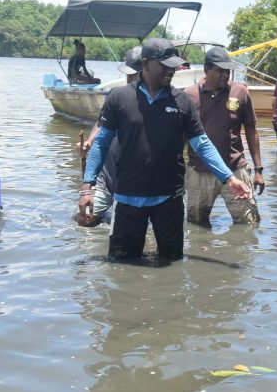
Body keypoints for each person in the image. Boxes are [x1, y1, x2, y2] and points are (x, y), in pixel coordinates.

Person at [78, 37, 251, 261]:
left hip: (169, 200)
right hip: (128, 198)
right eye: (166, 65)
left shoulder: (182, 101)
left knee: (171, 264)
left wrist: (229, 178)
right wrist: (86, 187)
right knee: (122, 265)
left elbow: (202, 144)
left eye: (174, 65)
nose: (173, 70)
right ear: (147, 63)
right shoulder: (119, 98)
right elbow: (101, 143)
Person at [182, 47, 265, 225]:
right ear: (206, 70)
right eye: (220, 71)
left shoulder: (240, 92)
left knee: (248, 223)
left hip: (235, 167)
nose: (225, 75)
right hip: (199, 171)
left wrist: (258, 170)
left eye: (227, 71)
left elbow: (251, 130)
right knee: (196, 224)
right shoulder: (189, 96)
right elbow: (181, 136)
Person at [78, 46, 142, 227]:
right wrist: (89, 142)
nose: (130, 79)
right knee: (86, 220)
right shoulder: (116, 95)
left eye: (134, 74)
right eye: (128, 75)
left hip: (134, 180)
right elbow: (101, 125)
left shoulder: (156, 101)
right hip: (108, 174)